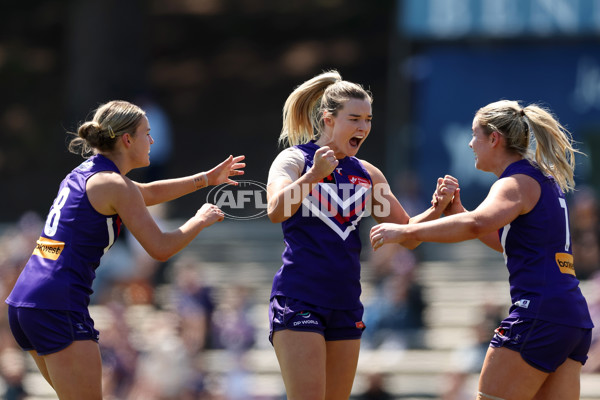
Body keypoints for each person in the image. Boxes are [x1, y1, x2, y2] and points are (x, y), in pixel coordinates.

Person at [5, 100, 245, 400]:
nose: (152, 141)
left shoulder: (89, 173)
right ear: (127, 139)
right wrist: (199, 220)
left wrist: (206, 179)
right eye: (147, 133)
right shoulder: (116, 186)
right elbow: (160, 248)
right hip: (57, 303)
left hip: (26, 302)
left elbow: (146, 193)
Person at [370, 100, 594, 400]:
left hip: (538, 314)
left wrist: (405, 230)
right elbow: (505, 239)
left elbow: (476, 224)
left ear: (494, 139)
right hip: (570, 318)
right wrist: (458, 211)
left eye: (475, 135)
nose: (470, 143)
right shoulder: (541, 180)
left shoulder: (514, 182)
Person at [266, 70, 456, 399]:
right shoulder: (295, 159)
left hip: (345, 302)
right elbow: (276, 210)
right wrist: (314, 176)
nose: (363, 128)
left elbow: (408, 236)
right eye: (354, 119)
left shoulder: (367, 174)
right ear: (328, 119)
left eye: (368, 120)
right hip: (299, 298)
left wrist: (435, 210)